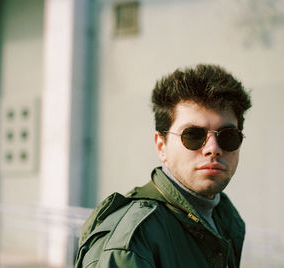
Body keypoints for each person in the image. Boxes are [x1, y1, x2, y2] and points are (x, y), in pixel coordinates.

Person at [75, 64, 252, 268]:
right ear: (161, 146)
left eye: (228, 137)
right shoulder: (129, 245)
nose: (213, 149)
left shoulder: (225, 219)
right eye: (193, 135)